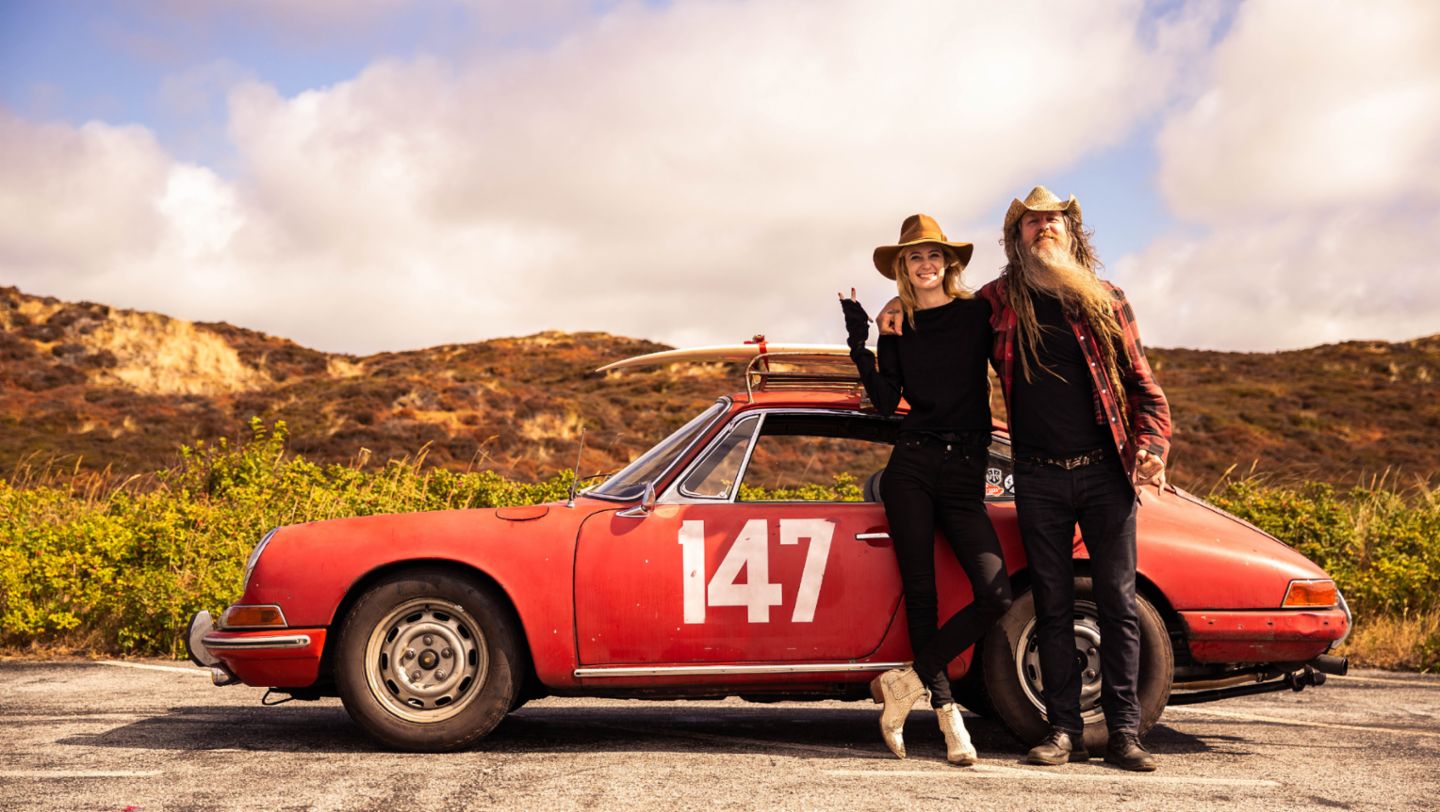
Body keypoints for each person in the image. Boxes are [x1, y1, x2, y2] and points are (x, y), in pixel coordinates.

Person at [877, 187, 1171, 771]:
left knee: (1116, 602)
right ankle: (1061, 730)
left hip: (1105, 473)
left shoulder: (1107, 299)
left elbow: (1144, 387)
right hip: (1037, 475)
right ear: (1017, 237)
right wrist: (895, 307)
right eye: (1031, 223)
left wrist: (1153, 446)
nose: (1043, 229)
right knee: (1051, 606)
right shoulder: (999, 301)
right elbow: (940, 304)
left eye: (1052, 220)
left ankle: (1124, 734)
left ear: (1071, 230)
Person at [839, 214, 1013, 766]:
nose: (925, 264)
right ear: (903, 267)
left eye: (934, 255)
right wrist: (860, 342)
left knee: (995, 595)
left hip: (965, 472)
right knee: (922, 594)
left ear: (949, 263)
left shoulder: (977, 314)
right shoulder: (897, 328)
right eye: (914, 257)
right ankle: (948, 717)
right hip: (912, 468)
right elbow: (886, 403)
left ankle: (907, 681)